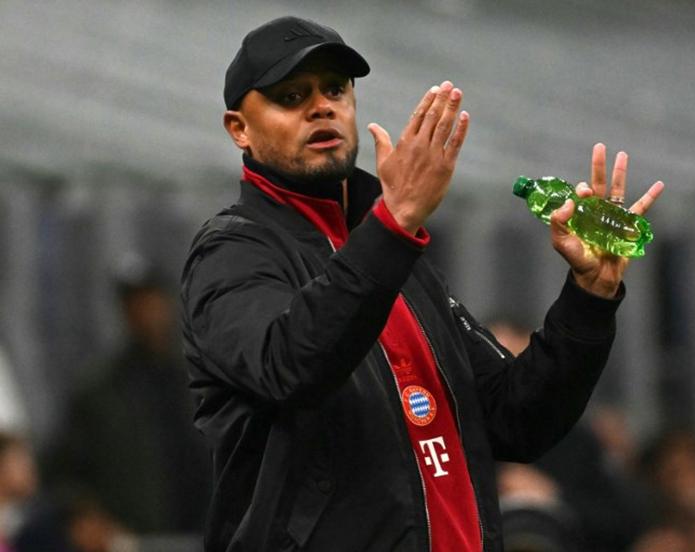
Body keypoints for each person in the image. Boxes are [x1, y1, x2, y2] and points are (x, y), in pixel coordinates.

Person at [180, 15, 664, 551]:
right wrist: (394, 224)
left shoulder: (387, 244)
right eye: (291, 96)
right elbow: (290, 367)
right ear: (239, 129)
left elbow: (516, 418)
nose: (322, 107)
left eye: (336, 89)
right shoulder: (231, 251)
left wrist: (588, 297)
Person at [49, 264, 210, 534]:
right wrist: (85, 513)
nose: (146, 313)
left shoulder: (206, 377)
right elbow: (61, 473)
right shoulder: (98, 390)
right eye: (135, 304)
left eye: (152, 302)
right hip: (135, 540)